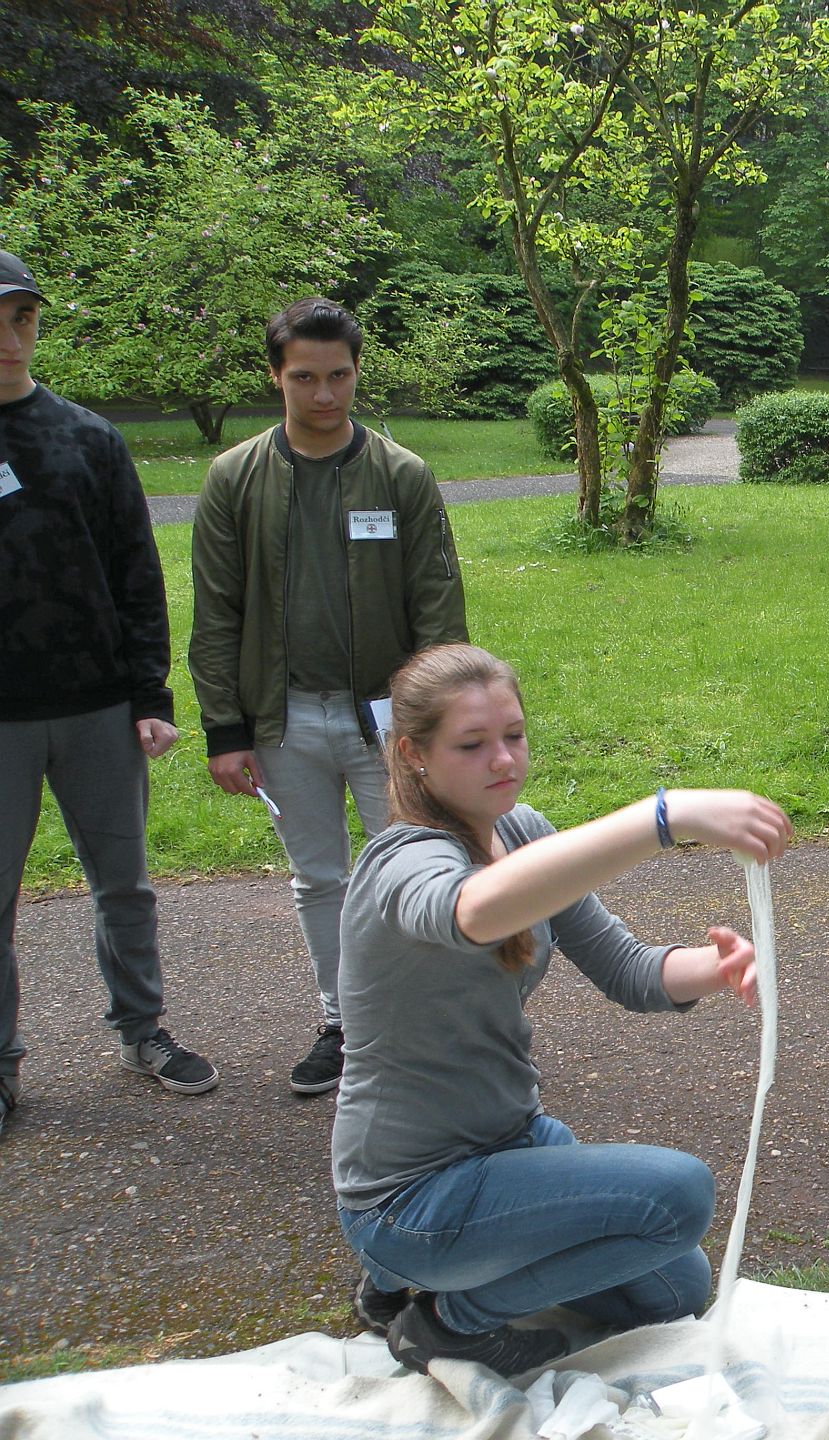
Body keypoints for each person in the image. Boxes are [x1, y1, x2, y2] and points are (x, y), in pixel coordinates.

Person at [330, 642, 791, 1376]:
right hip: (407, 1195)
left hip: (507, 1141)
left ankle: (410, 1281)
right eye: (472, 745)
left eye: (513, 735)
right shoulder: (402, 860)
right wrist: (663, 816)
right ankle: (445, 1321)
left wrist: (715, 969)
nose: (502, 759)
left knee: (675, 1287)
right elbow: (472, 911)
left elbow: (628, 969)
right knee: (676, 1197)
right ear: (413, 754)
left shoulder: (521, 832)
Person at [190, 298, 469, 1096]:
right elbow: (216, 611)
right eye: (304, 378)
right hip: (281, 720)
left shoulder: (401, 474)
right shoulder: (235, 478)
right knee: (319, 879)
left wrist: (436, 722)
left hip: (388, 720)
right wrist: (224, 729)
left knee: (416, 870)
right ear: (276, 377)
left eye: (339, 376)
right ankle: (344, 1023)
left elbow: (437, 607)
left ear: (357, 373)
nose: (324, 395)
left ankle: (428, 1025)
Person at [0, 251, 218, 1137]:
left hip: (96, 707)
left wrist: (149, 695)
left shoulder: (87, 438)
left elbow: (135, 570)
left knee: (123, 884)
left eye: (22, 318)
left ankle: (141, 1031)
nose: (10, 337)